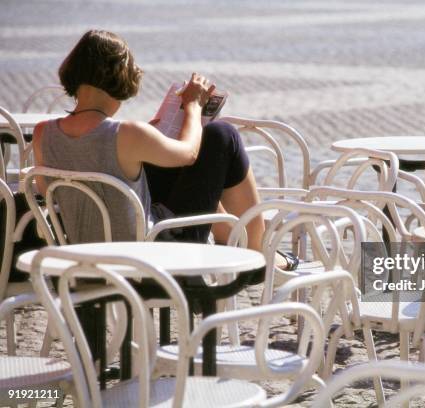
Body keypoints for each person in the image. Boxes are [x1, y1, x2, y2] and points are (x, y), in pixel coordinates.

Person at [31, 29, 295, 269]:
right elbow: (189, 153)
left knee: (154, 162)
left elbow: (50, 193)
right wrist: (192, 106)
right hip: (152, 254)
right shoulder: (127, 134)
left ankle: (239, 238)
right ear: (119, 81)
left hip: (81, 252)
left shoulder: (44, 133)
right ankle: (258, 252)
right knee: (221, 135)